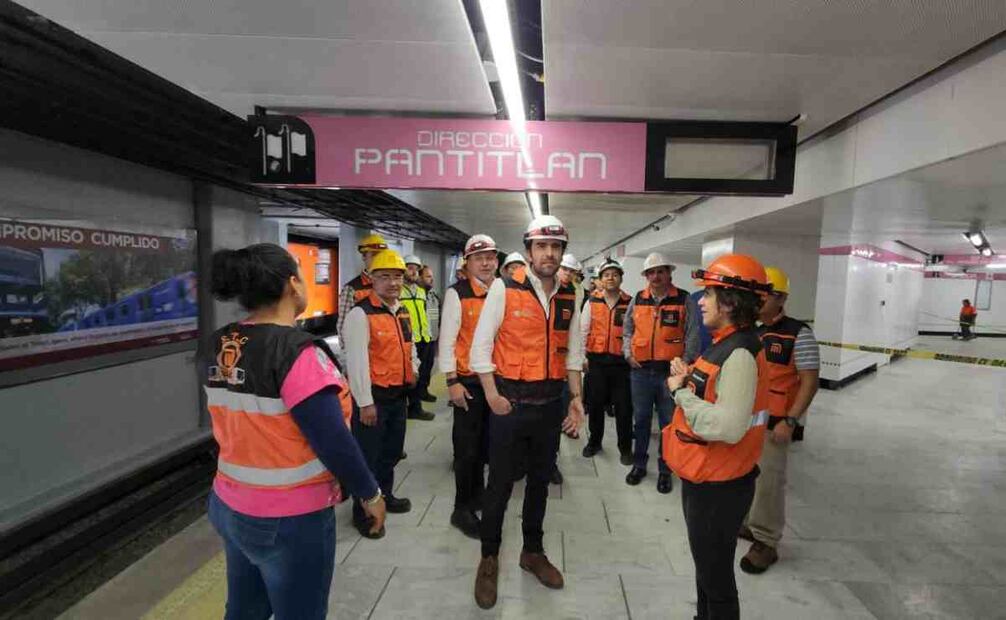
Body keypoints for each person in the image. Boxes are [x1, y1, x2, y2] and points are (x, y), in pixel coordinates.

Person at [205, 244, 386, 620]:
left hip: (228, 503)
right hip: (289, 518)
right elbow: (333, 441)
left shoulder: (220, 343)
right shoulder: (296, 353)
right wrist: (370, 493)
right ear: (292, 284)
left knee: (244, 611)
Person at [469, 215, 585, 609]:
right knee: (500, 485)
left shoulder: (570, 295)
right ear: (529, 251)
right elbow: (480, 348)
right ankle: (489, 558)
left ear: (562, 252)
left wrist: (576, 397)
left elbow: (573, 352)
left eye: (555, 247)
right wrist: (491, 395)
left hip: (550, 405)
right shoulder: (505, 289)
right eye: (541, 246)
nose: (549, 253)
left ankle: (532, 552)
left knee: (539, 483)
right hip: (510, 405)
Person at [664, 254, 772, 620]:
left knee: (716, 577)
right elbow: (715, 391)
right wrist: (689, 376)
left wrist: (680, 391)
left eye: (709, 294)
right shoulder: (725, 342)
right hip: (706, 476)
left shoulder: (740, 352)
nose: (701, 301)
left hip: (720, 486)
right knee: (706, 569)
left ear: (730, 302)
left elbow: (727, 426)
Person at [739, 266, 820, 574]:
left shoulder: (798, 333)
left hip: (775, 424)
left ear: (782, 298)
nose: (760, 298)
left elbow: (809, 382)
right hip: (746, 420)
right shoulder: (750, 330)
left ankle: (766, 541)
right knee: (745, 476)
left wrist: (791, 420)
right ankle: (749, 524)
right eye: (757, 293)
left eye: (767, 293)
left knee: (769, 483)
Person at [342, 249, 421, 538]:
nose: (392, 283)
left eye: (397, 277)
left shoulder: (402, 310)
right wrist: (365, 402)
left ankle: (384, 496)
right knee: (367, 458)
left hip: (398, 396)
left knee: (390, 453)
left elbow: (409, 345)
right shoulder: (360, 314)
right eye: (385, 277)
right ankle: (363, 511)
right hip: (373, 399)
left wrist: (414, 367)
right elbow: (356, 362)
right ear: (372, 279)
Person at [622, 252, 700, 494]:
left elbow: (692, 334)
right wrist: (628, 354)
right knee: (641, 420)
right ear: (645, 276)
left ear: (669, 273)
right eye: (651, 272)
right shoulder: (638, 299)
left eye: (660, 271)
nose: (655, 276)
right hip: (640, 372)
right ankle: (639, 465)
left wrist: (684, 363)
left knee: (668, 423)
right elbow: (627, 329)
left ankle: (665, 470)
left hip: (670, 375)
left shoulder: (684, 299)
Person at [440, 234, 499, 539]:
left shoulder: (502, 291)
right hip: (468, 384)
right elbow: (447, 341)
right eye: (479, 258)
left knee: (487, 447)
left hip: (496, 382)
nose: (486, 263)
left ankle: (478, 497)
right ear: (468, 263)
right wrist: (451, 381)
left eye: (490, 257)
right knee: (466, 449)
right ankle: (461, 508)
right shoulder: (457, 293)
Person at [580, 258, 634, 464]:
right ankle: (594, 442)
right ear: (601, 279)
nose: (611, 278)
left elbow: (634, 332)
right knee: (595, 406)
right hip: (596, 362)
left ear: (621, 278)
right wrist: (582, 356)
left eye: (615, 275)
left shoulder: (630, 303)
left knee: (624, 409)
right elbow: (583, 330)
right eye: (606, 275)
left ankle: (625, 448)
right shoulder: (592, 302)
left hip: (621, 364)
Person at [337, 233, 388, 351]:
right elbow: (343, 326)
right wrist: (349, 353)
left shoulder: (391, 286)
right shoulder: (352, 288)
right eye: (374, 255)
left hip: (387, 350)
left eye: (382, 255)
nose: (379, 259)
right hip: (363, 350)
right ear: (364, 257)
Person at [400, 254, 435, 421]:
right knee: (411, 375)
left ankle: (418, 402)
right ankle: (414, 408)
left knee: (423, 372)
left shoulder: (421, 291)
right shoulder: (399, 291)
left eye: (416, 269)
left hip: (425, 338)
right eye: (410, 268)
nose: (413, 272)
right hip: (409, 340)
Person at [419, 265, 441, 403]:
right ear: (420, 278)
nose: (431, 279)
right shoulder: (417, 295)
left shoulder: (434, 295)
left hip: (432, 337)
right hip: (420, 338)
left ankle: (424, 390)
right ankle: (416, 395)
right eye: (428, 276)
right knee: (420, 368)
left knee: (428, 366)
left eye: (432, 277)